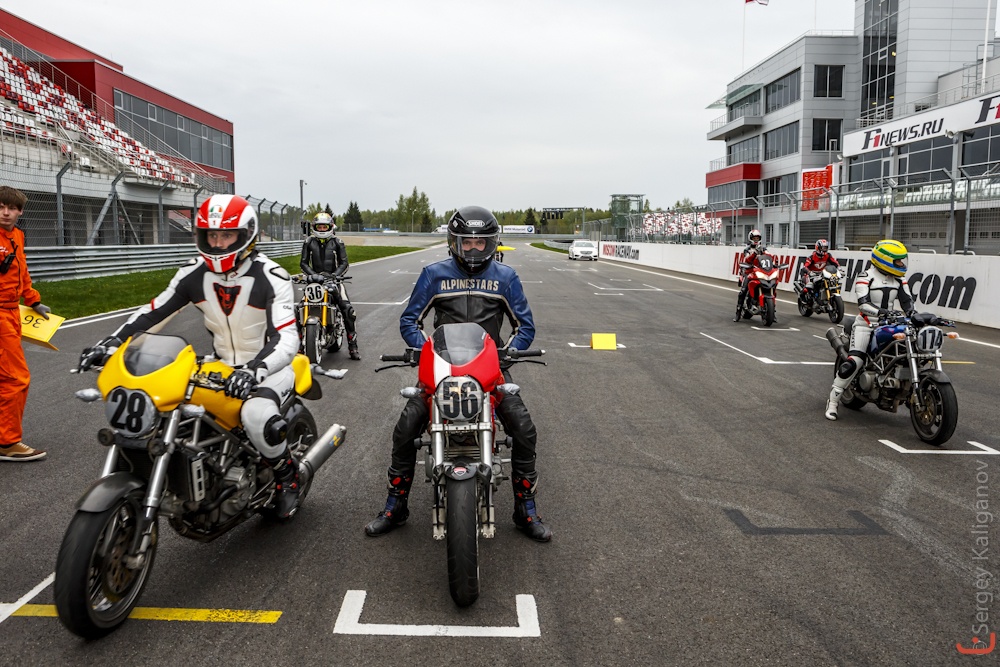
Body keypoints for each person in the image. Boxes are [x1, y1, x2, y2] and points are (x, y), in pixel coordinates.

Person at [79, 195, 303, 517]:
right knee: (167, 405)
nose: (217, 243)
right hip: (219, 365)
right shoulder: (193, 273)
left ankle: (287, 476)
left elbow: (286, 336)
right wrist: (111, 343)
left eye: (226, 235)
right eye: (211, 235)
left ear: (246, 235)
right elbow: (154, 312)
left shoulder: (272, 275)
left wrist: (255, 370)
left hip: (268, 367)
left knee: (257, 417)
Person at [364, 205, 552, 542]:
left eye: (481, 242)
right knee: (405, 428)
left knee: (524, 430)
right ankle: (396, 505)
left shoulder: (506, 278)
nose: (474, 248)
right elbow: (410, 320)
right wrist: (425, 351)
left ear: (492, 243)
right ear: (455, 242)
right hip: (441, 370)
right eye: (467, 242)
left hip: (490, 371)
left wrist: (506, 355)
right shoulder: (433, 274)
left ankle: (526, 508)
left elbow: (524, 326)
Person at [825, 239, 913, 421]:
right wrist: (883, 313)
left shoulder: (900, 279)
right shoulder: (866, 276)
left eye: (902, 261)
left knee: (909, 352)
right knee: (855, 361)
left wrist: (916, 316)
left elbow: (908, 304)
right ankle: (833, 401)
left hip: (890, 324)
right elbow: (863, 304)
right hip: (866, 324)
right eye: (897, 261)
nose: (901, 264)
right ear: (885, 259)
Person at [0, 186, 50, 462]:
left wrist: (33, 300)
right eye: (1, 207)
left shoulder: (17, 235)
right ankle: (7, 442)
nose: (6, 213)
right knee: (15, 378)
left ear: (20, 211)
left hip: (12, 312)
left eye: (12, 208)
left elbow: (22, 272)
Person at [299, 212, 359, 360]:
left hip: (334, 280)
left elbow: (344, 263)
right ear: (314, 227)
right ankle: (299, 344)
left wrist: (334, 276)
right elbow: (303, 263)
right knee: (298, 308)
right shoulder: (308, 242)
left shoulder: (338, 242)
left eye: (324, 227)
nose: (321, 229)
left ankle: (353, 346)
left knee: (347, 309)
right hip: (314, 281)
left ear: (330, 227)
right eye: (319, 227)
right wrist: (313, 275)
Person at [733, 229, 767, 322]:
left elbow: (769, 256)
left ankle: (772, 312)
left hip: (760, 271)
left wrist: (774, 262)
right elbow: (747, 259)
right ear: (750, 238)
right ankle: (738, 312)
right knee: (743, 291)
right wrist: (755, 253)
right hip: (749, 272)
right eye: (754, 238)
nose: (756, 240)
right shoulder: (747, 249)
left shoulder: (763, 249)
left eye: (757, 238)